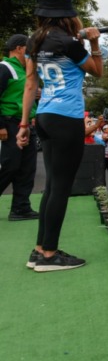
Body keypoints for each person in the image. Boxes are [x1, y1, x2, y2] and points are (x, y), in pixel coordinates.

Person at [17, 0, 104, 271]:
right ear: (68, 15)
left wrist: (23, 124)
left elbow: (31, 85)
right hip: (66, 119)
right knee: (61, 187)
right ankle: (50, 254)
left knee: (52, 185)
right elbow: (98, 70)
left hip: (43, 117)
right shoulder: (69, 43)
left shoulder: (34, 41)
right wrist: (94, 42)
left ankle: (40, 249)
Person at [1, 34, 39, 221]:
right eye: (29, 48)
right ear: (19, 48)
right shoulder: (5, 68)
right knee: (10, 166)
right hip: (8, 123)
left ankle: (20, 208)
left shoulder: (26, 71)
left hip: (24, 124)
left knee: (27, 167)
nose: (32, 53)